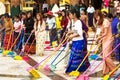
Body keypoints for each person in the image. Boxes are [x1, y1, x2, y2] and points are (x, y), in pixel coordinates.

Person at [65, 9, 89, 73]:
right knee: (75, 56)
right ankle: (81, 69)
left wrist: (71, 36)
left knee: (76, 57)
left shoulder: (78, 22)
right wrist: (70, 32)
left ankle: (75, 70)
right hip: (75, 41)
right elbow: (75, 31)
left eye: (70, 14)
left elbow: (79, 33)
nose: (69, 16)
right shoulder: (73, 22)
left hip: (79, 42)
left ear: (74, 14)